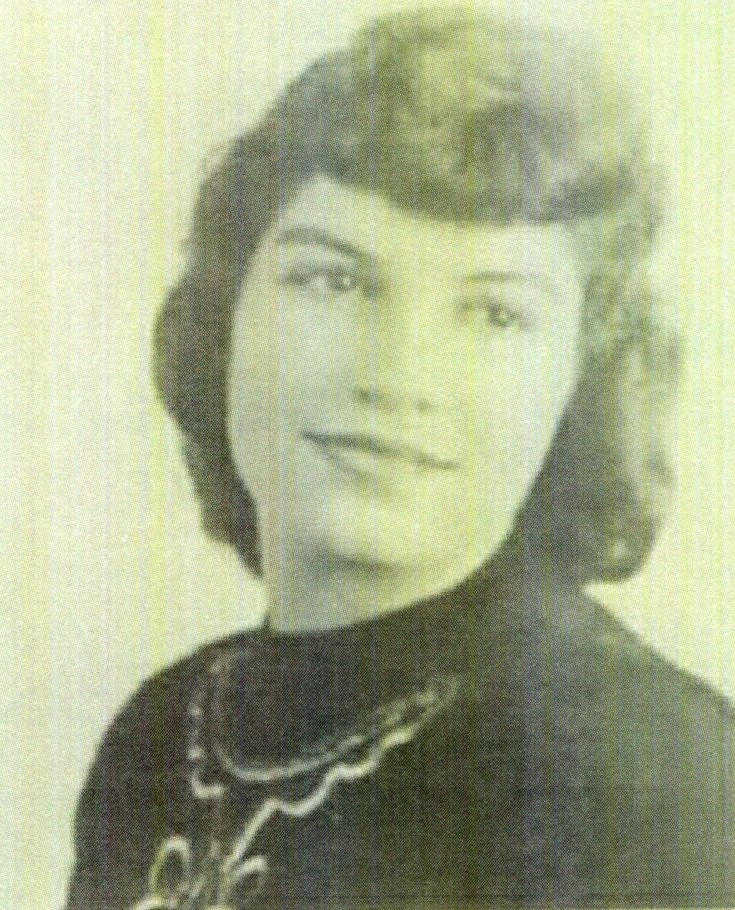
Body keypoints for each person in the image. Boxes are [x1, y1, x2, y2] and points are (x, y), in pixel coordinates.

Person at [65, 6, 734, 908]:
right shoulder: (159, 737)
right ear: (224, 323)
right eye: (332, 280)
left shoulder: (647, 775)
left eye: (495, 314)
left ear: (583, 379)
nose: (395, 376)